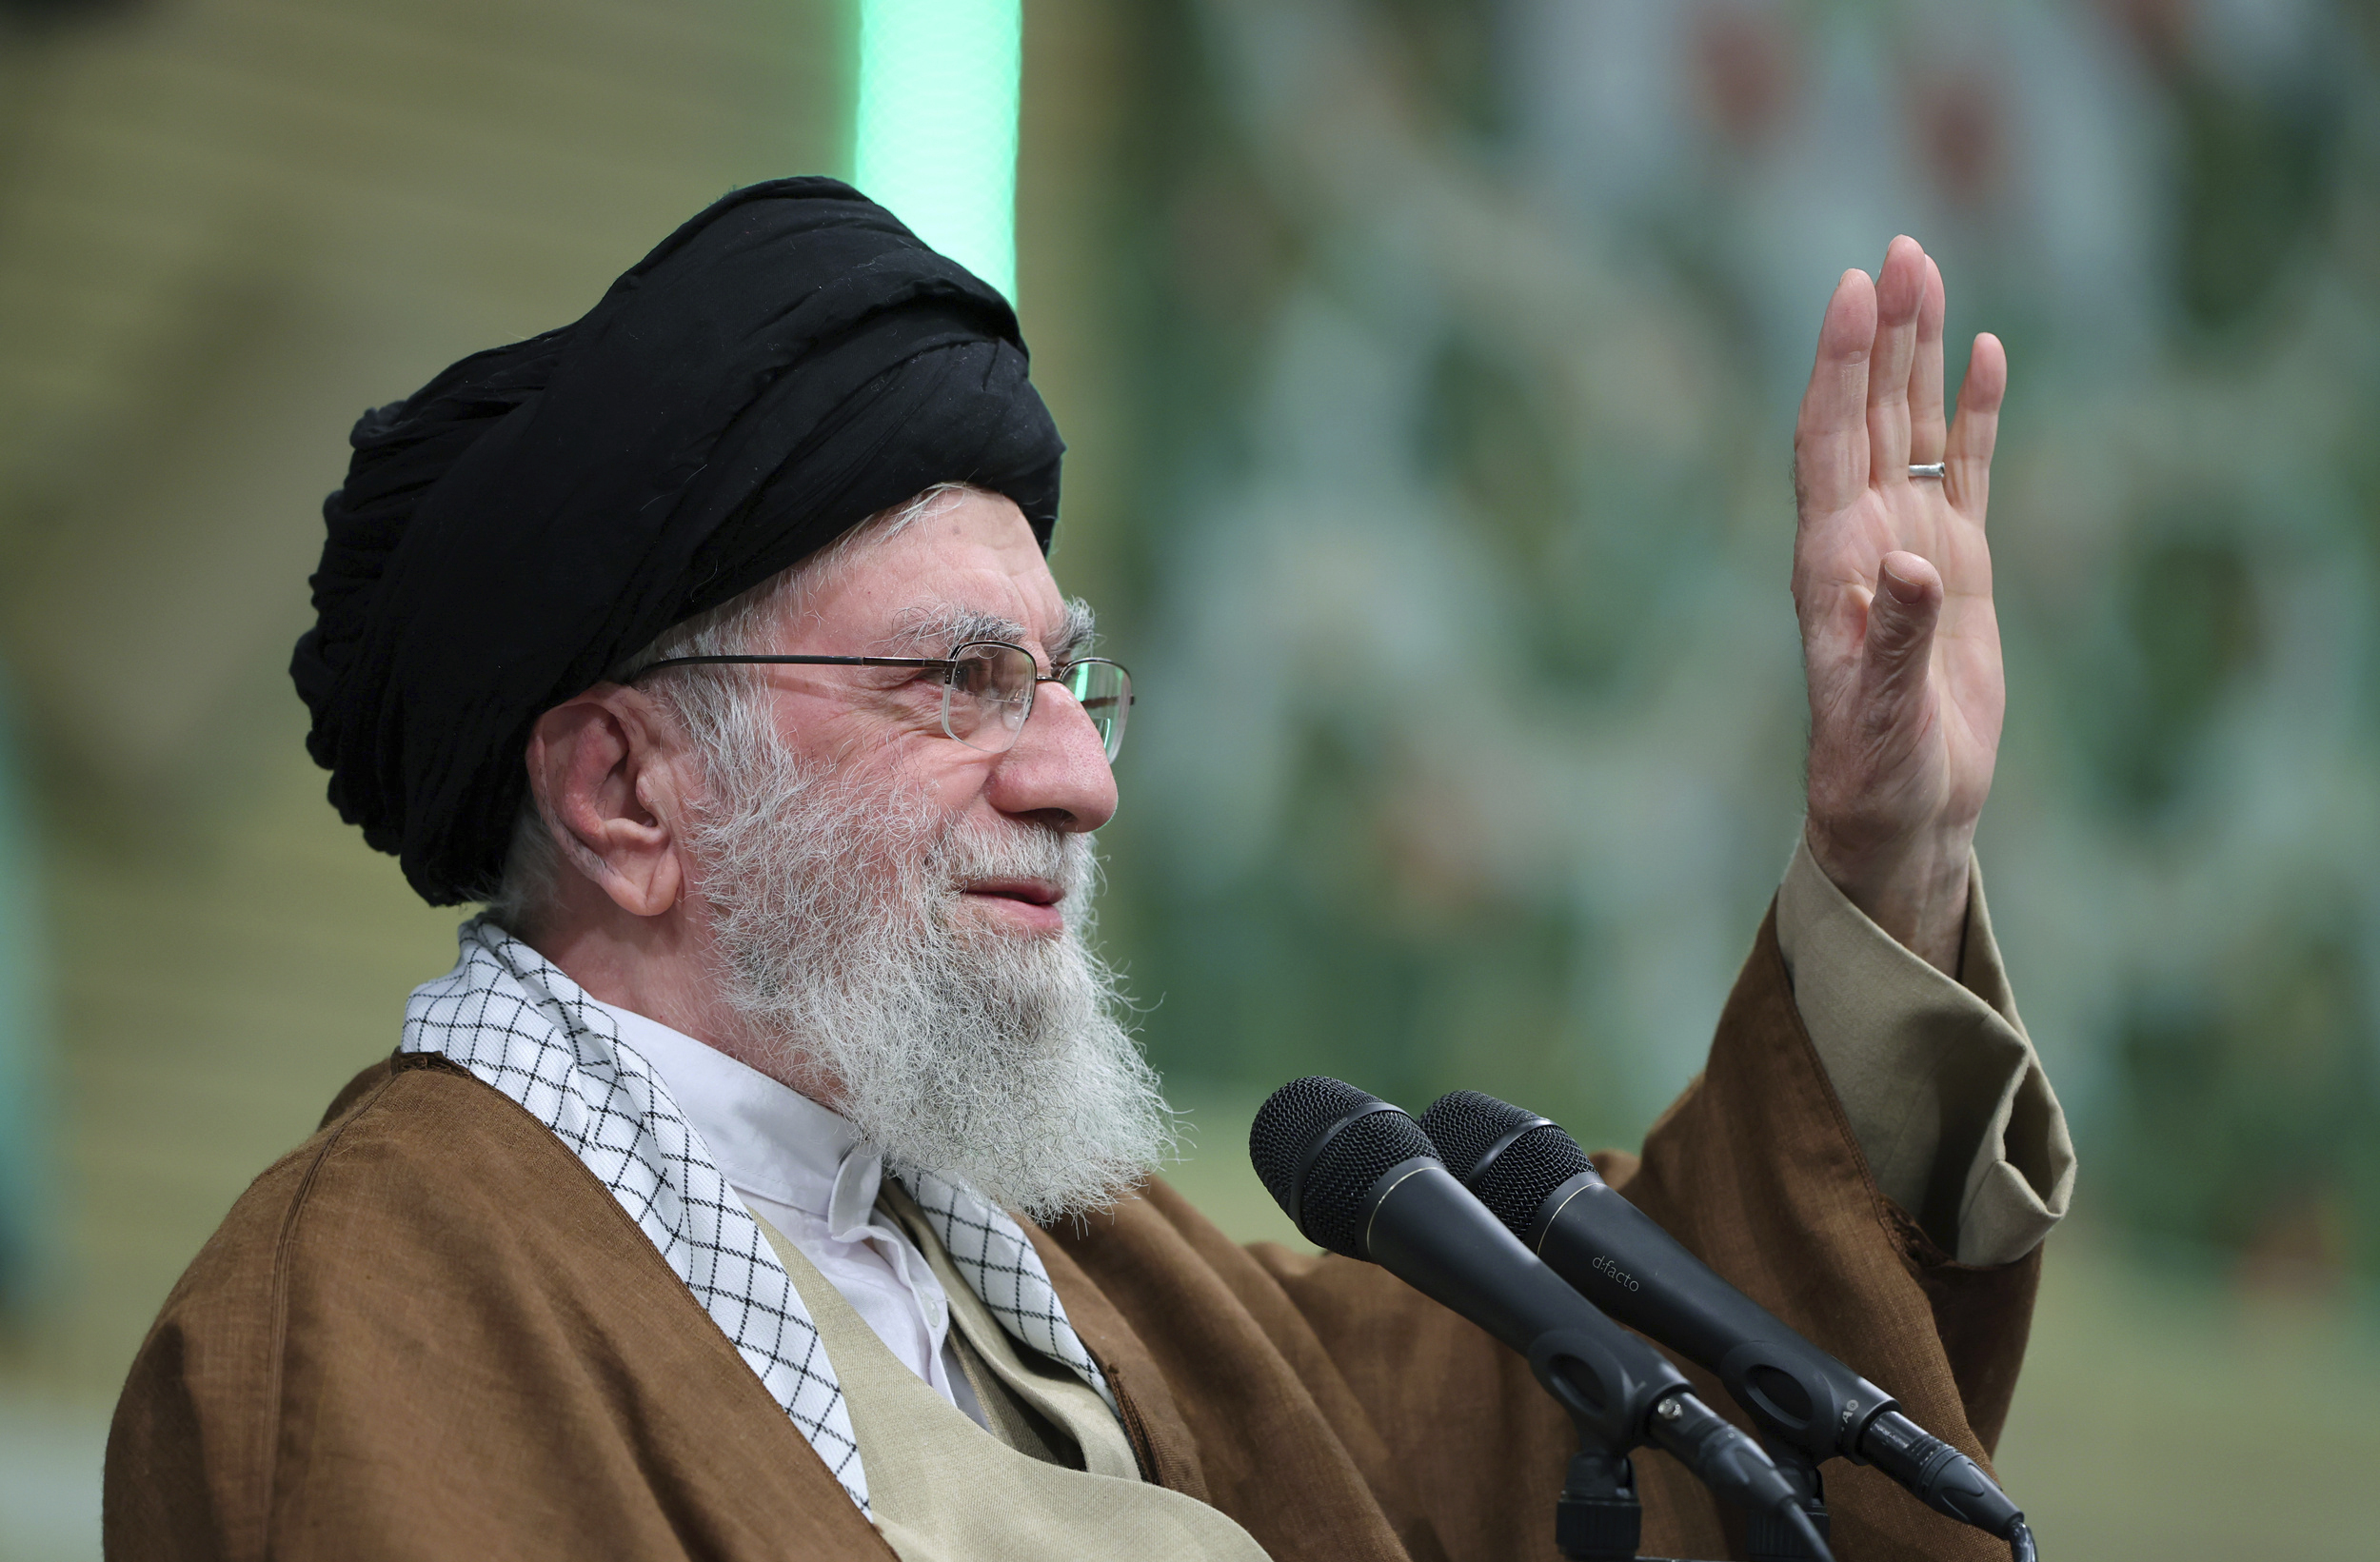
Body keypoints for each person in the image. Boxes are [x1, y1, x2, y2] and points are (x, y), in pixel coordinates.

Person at [103, 179, 2071, 1562]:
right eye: (957, 682)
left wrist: (1883, 852)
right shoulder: (374, 1312)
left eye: (1065, 676)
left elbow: (1625, 1437)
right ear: (625, 787)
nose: (1074, 776)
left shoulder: (1065, 1258)